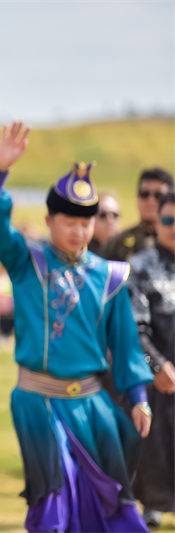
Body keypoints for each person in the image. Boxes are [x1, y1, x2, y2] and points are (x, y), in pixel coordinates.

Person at [0, 121, 154, 532]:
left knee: (113, 500)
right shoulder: (26, 262)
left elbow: (125, 345)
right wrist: (0, 168)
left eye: (85, 222)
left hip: (93, 405)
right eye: (68, 221)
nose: (78, 230)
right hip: (38, 403)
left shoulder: (109, 277)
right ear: (49, 219)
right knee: (53, 498)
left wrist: (138, 395)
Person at [127, 191, 175, 528]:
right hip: (156, 380)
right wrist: (157, 365)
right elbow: (135, 327)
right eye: (168, 220)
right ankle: (152, 506)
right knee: (155, 449)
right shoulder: (140, 267)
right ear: (156, 223)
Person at [101, 168, 174, 260]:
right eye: (145, 194)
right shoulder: (117, 244)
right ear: (137, 198)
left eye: (158, 195)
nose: (150, 200)